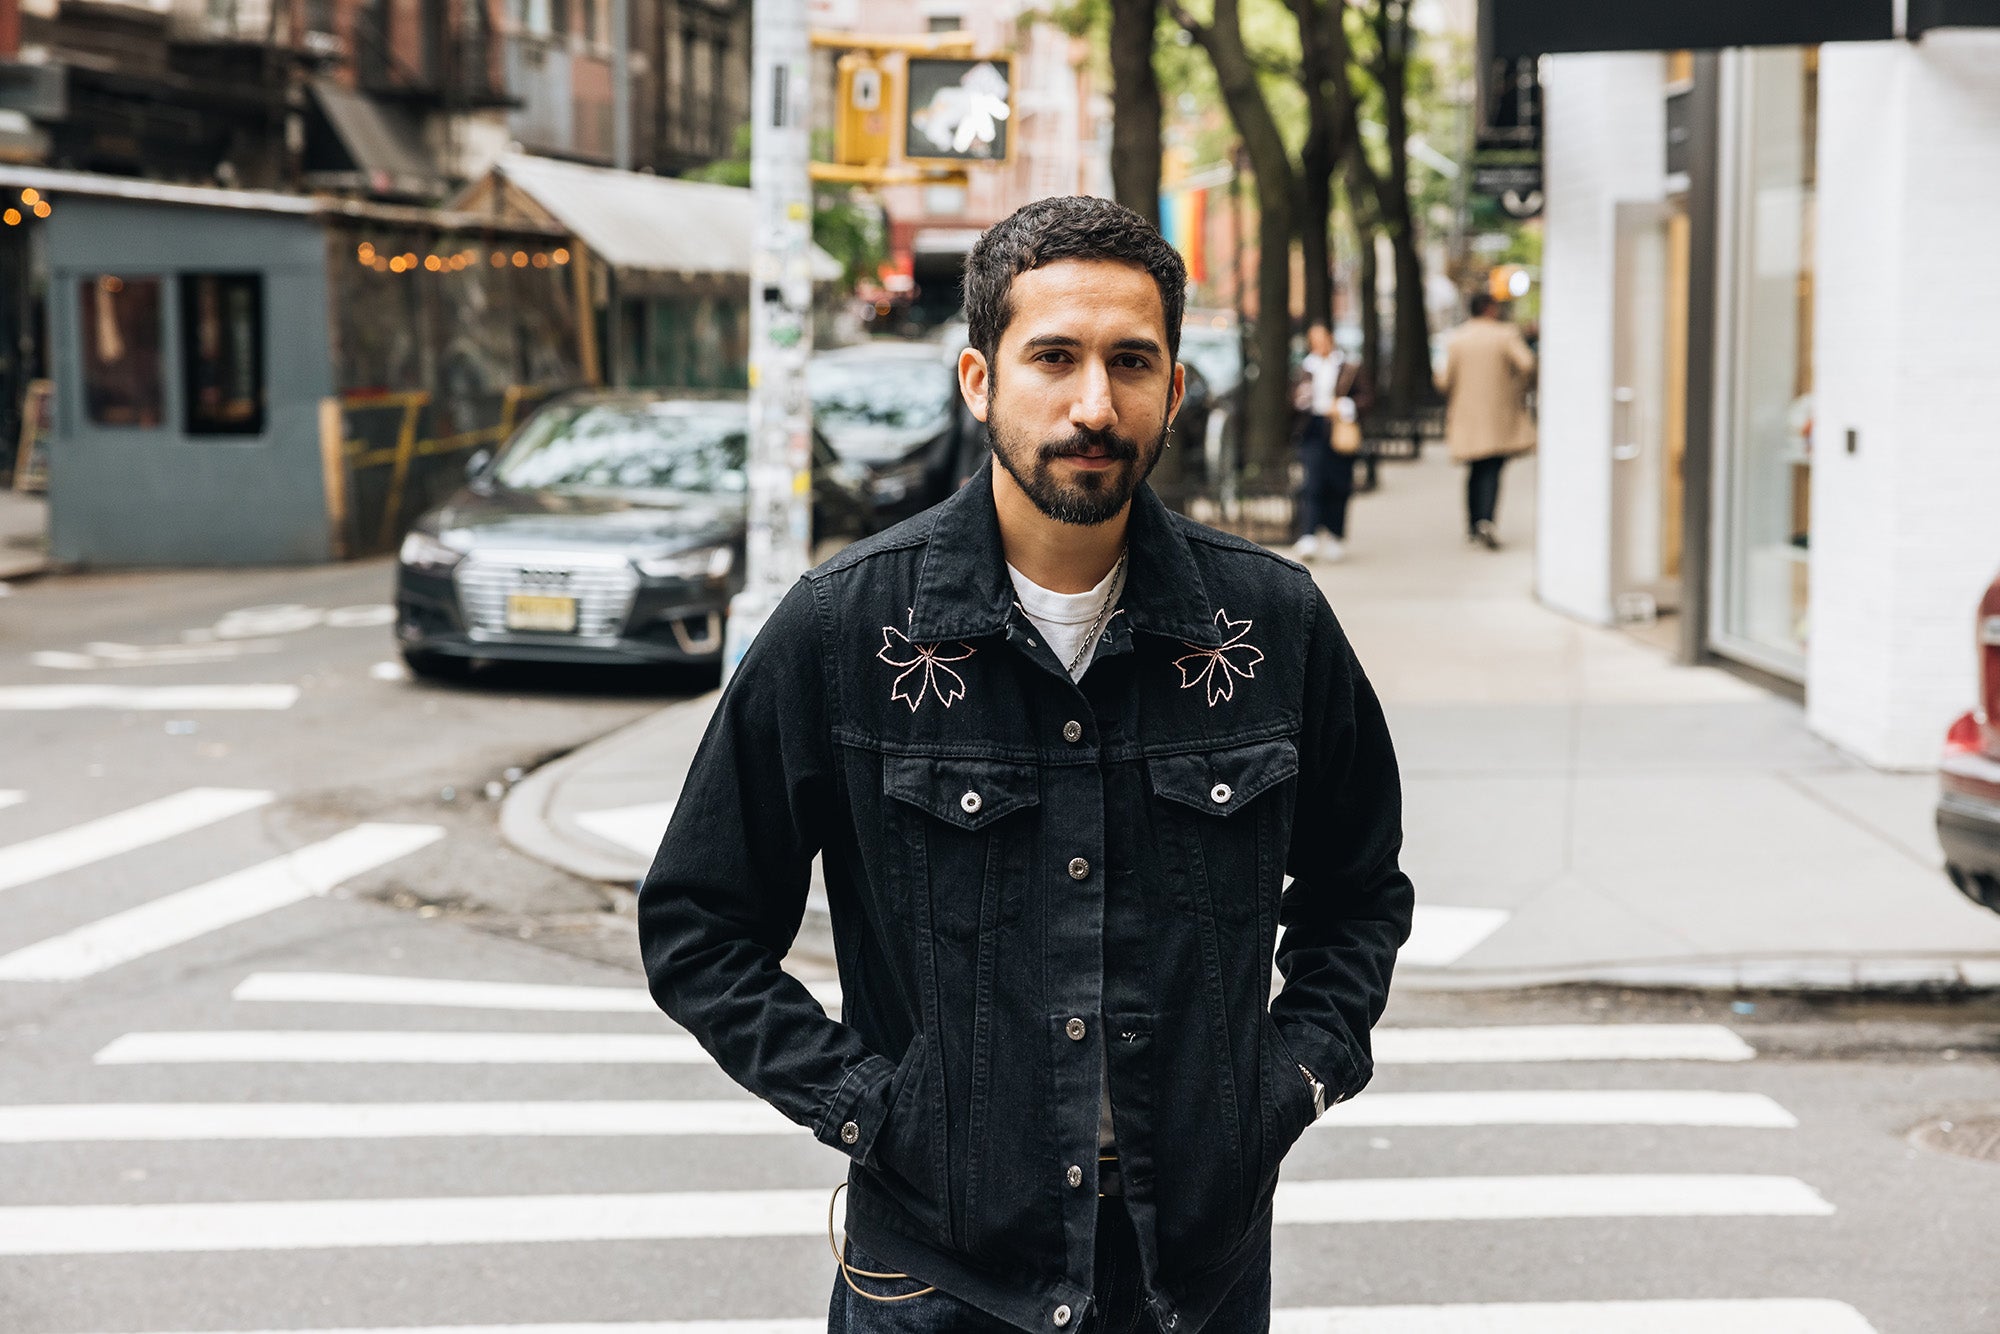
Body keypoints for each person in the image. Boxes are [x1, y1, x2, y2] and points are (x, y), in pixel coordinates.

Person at [637, 195, 1413, 1334]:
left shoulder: (1268, 625)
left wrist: (1287, 1081)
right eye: (1053, 356)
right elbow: (697, 925)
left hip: (1187, 1279)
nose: (1092, 404)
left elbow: (1358, 890)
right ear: (977, 378)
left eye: (1129, 362)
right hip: (939, 1277)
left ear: (1173, 391)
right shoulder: (846, 628)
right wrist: (871, 1110)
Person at [1437, 292, 1537, 549]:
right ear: (1490, 308)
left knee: (1474, 469)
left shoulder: (1457, 338)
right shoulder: (1505, 335)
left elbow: (1444, 379)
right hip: (1498, 414)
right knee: (1492, 468)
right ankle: (1486, 520)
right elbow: (1527, 364)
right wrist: (1516, 387)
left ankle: (1472, 524)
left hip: (1466, 415)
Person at [1289, 322, 1358, 562]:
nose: (1318, 345)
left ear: (1330, 339)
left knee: (1338, 483)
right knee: (1312, 482)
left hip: (1339, 430)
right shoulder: (1306, 368)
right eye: (1313, 341)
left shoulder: (1348, 368)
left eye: (1322, 339)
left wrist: (1346, 407)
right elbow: (1293, 399)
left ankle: (1335, 534)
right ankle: (1308, 534)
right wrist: (1300, 400)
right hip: (1313, 429)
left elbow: (1366, 396)